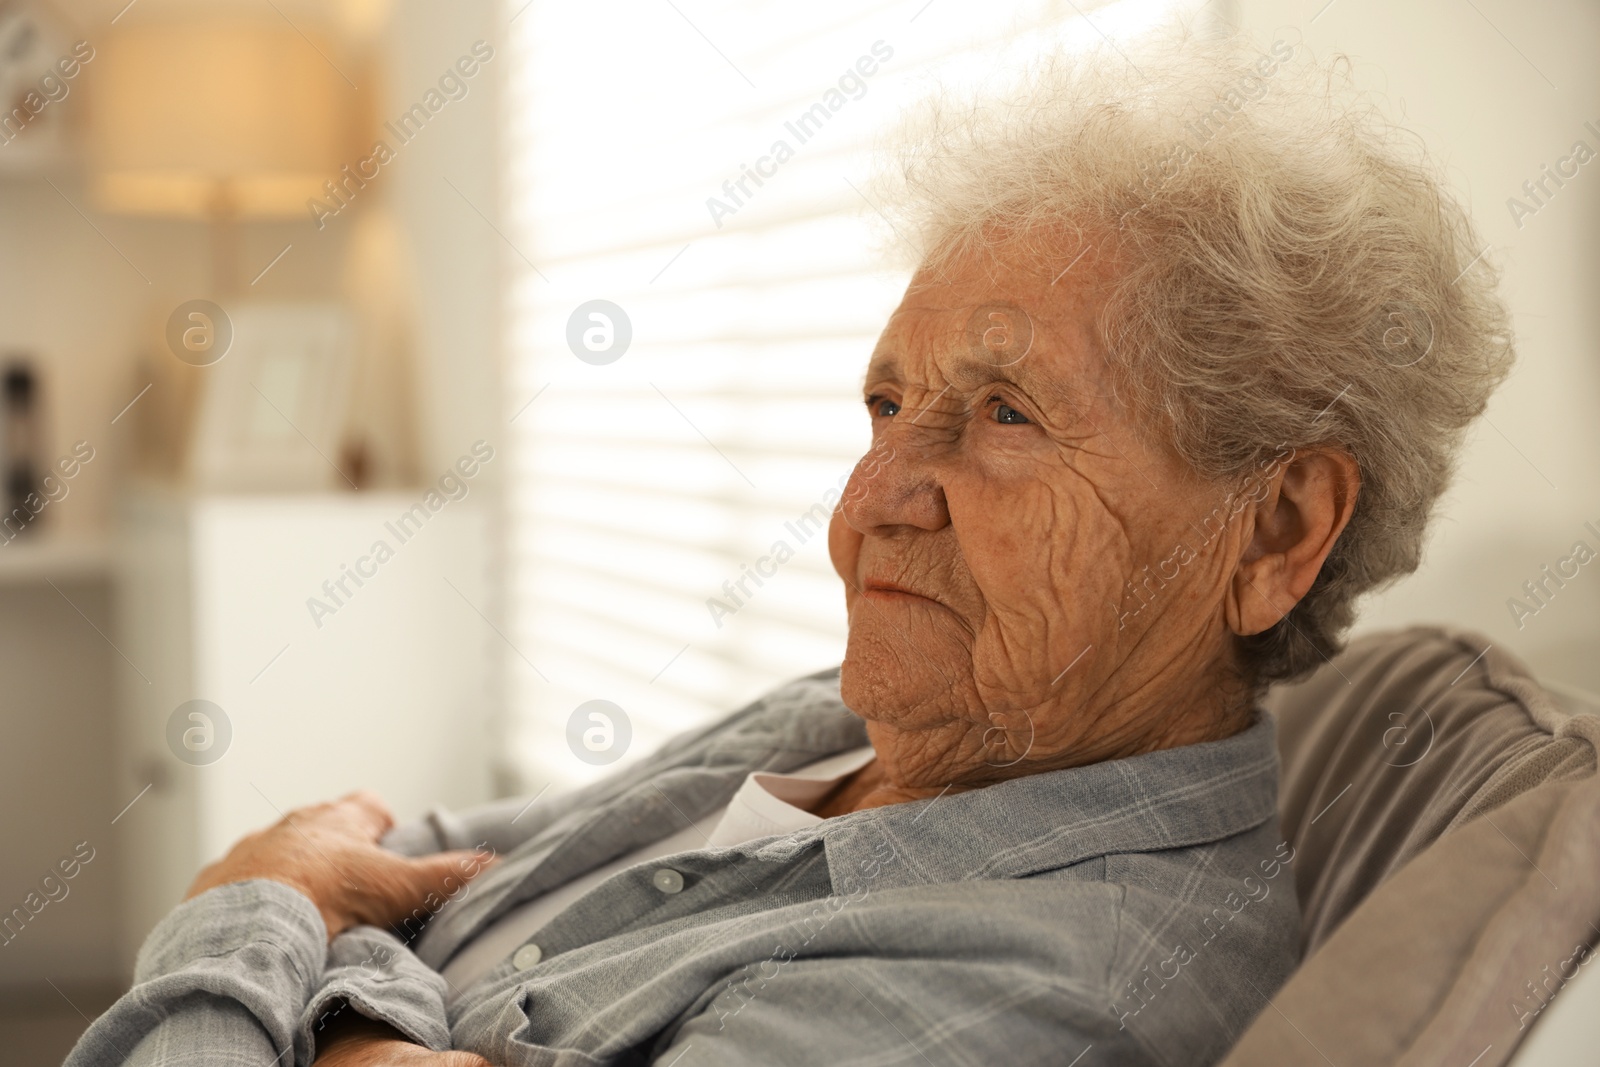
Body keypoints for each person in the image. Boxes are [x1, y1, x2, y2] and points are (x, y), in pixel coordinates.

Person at [66, 30, 1512, 1067]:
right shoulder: (877, 714)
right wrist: (362, 990)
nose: (869, 502)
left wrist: (245, 916)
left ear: (1276, 529)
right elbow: (440, 864)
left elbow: (325, 886)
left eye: (1002, 415)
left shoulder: (1077, 980)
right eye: (887, 404)